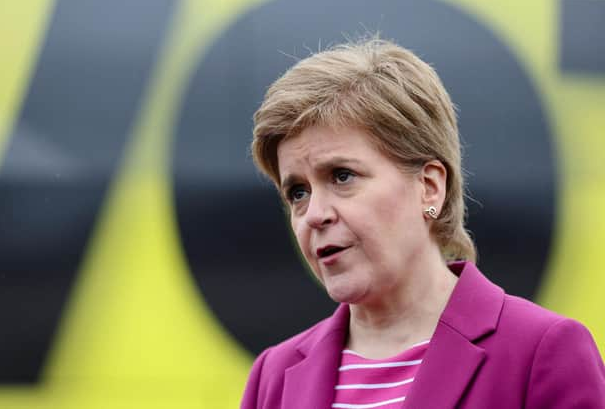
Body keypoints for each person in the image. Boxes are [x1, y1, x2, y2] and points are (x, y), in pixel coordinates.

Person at [240, 38, 605, 409]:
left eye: (342, 176)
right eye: (298, 192)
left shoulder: (542, 352)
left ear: (429, 188)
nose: (315, 214)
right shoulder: (273, 375)